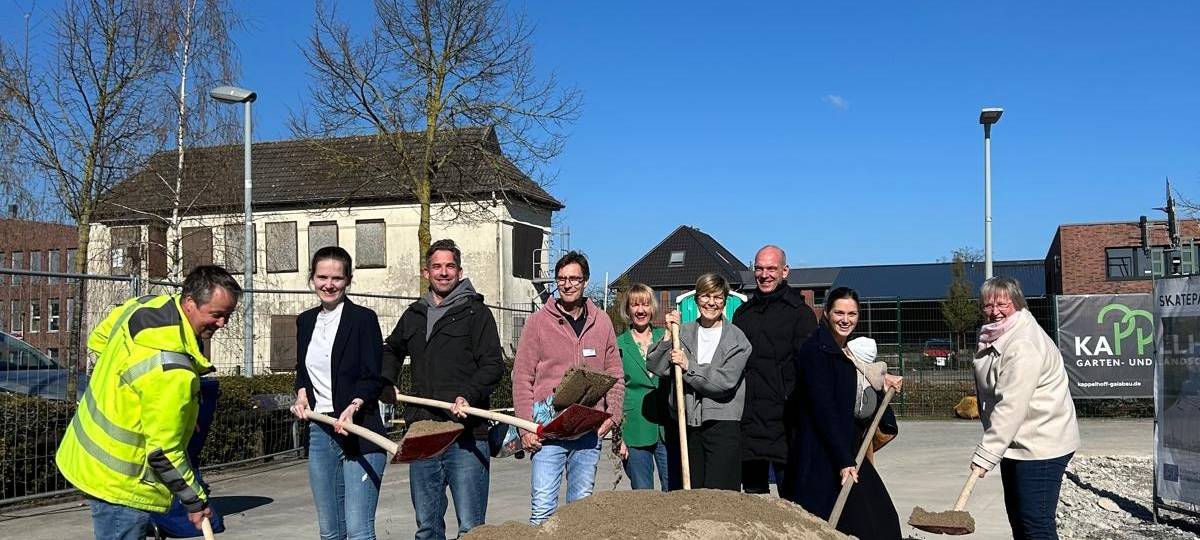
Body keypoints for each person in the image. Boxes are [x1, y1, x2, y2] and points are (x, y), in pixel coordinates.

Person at [56, 265, 241, 540]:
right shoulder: (171, 370)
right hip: (122, 482)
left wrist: (125, 389)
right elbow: (163, 452)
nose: (223, 324)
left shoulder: (144, 306)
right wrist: (195, 501)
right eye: (216, 315)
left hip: (86, 455)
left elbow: (98, 340)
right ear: (190, 303)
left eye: (228, 315)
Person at [380, 239, 504, 539]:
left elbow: (493, 365)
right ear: (426, 272)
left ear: (459, 272)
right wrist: (387, 380)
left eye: (450, 266)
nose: (443, 272)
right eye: (437, 266)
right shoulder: (414, 314)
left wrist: (469, 395)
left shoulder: (476, 313)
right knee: (427, 528)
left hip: (466, 435)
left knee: (472, 529)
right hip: (423, 434)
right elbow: (391, 349)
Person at [511, 250, 624, 525]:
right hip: (548, 431)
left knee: (580, 513)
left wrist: (612, 416)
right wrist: (525, 427)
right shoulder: (538, 323)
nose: (567, 284)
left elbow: (615, 375)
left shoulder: (602, 322)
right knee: (542, 510)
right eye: (562, 279)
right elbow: (522, 377)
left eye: (574, 279)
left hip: (587, 432)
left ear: (585, 281)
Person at [786, 287, 903, 539]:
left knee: (881, 518)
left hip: (847, 448)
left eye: (852, 314)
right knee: (860, 522)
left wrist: (883, 380)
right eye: (839, 313)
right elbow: (823, 410)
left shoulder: (843, 350)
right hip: (822, 455)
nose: (845, 319)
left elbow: (859, 371)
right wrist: (844, 461)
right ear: (827, 313)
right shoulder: (815, 352)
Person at [290, 246, 387, 540]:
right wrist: (301, 394)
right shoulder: (305, 321)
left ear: (348, 280)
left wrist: (354, 406)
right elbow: (303, 370)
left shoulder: (363, 319)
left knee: (358, 531)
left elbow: (373, 375)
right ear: (312, 278)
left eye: (337, 278)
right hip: (321, 430)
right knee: (330, 532)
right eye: (322, 277)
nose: (329, 285)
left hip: (360, 429)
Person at [972, 276, 1079, 540]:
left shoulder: (1023, 344)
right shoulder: (999, 333)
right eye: (988, 305)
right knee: (1020, 522)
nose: (994, 311)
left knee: (1035, 525)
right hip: (1017, 442)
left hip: (1041, 445)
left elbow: (1011, 405)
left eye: (1002, 304)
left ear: (1017, 303)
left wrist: (986, 455)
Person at [647, 273, 752, 491]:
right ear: (696, 299)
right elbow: (656, 366)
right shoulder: (682, 332)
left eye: (717, 297)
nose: (711, 303)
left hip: (722, 425)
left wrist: (689, 366)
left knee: (720, 494)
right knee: (692, 494)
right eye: (705, 296)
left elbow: (724, 383)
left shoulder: (737, 340)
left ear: (725, 301)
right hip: (687, 424)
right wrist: (668, 335)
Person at [732, 245, 817, 496]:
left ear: (785, 271)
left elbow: (809, 369)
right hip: (749, 422)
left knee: (791, 500)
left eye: (771, 268)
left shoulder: (800, 314)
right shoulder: (743, 314)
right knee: (754, 502)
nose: (764, 274)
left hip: (785, 423)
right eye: (759, 269)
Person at [615, 283, 670, 491]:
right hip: (634, 428)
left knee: (674, 490)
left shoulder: (667, 336)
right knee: (642, 493)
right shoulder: (619, 344)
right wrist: (619, 437)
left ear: (652, 307)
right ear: (628, 310)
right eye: (635, 305)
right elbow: (615, 391)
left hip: (667, 426)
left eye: (645, 304)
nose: (640, 310)